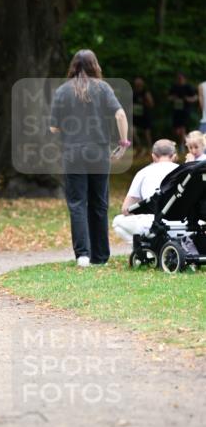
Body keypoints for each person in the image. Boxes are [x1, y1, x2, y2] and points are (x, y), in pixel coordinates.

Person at [49, 49, 129, 267]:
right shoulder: (103, 88)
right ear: (95, 66)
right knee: (99, 203)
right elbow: (120, 114)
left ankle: (83, 255)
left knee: (77, 203)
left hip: (73, 152)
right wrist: (123, 143)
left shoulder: (63, 91)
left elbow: (54, 128)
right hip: (99, 152)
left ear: (73, 66)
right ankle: (100, 256)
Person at [112, 139, 179, 244]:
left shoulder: (143, 173)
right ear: (174, 156)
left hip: (150, 225)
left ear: (153, 156)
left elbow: (126, 209)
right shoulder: (183, 172)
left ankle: (144, 246)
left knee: (117, 222)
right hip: (181, 226)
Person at [168, 72, 198, 151]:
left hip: (185, 110)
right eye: (178, 78)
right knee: (176, 131)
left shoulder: (188, 87)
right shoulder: (174, 87)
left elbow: (195, 97)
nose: (179, 80)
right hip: (176, 110)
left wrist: (188, 99)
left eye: (181, 78)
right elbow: (169, 97)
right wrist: (173, 98)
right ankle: (188, 142)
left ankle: (181, 145)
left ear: (184, 79)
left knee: (182, 127)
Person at [131, 77, 154, 152]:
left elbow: (151, 104)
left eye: (139, 84)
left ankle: (150, 149)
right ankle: (139, 147)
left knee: (147, 133)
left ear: (142, 84)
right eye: (136, 84)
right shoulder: (133, 92)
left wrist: (143, 103)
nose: (137, 85)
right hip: (136, 115)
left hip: (145, 114)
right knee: (132, 130)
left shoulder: (145, 92)